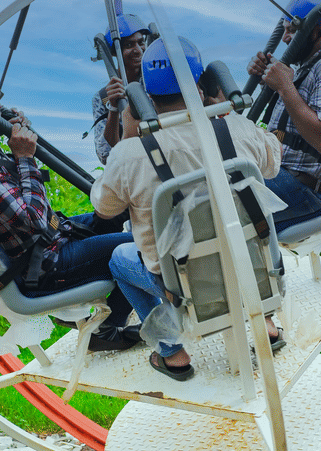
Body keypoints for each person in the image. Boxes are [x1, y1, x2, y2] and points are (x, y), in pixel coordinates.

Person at [90, 37, 283, 381]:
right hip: (251, 268)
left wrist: (131, 127)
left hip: (184, 287)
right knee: (238, 234)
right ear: (201, 84)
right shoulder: (238, 129)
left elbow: (105, 210)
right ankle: (265, 323)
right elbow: (272, 165)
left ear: (146, 96)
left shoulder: (129, 155)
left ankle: (172, 354)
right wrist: (224, 110)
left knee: (119, 259)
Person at [0, 83, 140, 352]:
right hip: (46, 264)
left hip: (49, 241)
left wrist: (18, 136)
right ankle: (108, 327)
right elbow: (36, 221)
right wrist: (25, 157)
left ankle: (109, 316)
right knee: (142, 246)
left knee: (118, 213)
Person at [247, 0, 321, 232]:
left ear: (317, 30)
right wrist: (268, 82)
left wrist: (284, 86)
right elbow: (289, 118)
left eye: (291, 30)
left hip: (304, 190)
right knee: (210, 185)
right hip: (281, 174)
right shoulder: (309, 66)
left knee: (218, 207)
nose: (285, 38)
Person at [91, 13, 150, 164]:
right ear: (114, 53)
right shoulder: (103, 97)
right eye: (129, 45)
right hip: (132, 165)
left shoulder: (155, 81)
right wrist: (113, 108)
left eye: (140, 43)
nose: (138, 50)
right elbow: (104, 154)